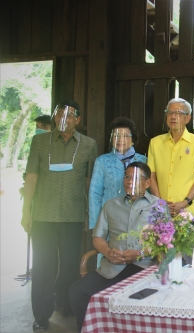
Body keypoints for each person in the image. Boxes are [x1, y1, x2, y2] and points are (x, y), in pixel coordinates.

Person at [21, 100, 97, 332]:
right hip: (43, 214)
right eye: (59, 113)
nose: (64, 118)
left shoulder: (88, 145)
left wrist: (89, 214)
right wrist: (26, 211)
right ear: (54, 117)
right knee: (43, 265)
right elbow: (31, 176)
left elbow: (89, 183)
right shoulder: (40, 141)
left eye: (70, 114)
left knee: (69, 266)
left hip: (73, 216)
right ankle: (41, 316)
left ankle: (63, 302)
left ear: (78, 119)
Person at [69, 162, 161, 332]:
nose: (128, 181)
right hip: (112, 267)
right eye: (126, 176)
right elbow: (98, 237)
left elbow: (165, 243)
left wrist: (140, 253)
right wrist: (108, 252)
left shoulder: (158, 207)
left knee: (133, 301)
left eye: (134, 178)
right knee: (77, 292)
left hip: (143, 268)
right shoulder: (111, 205)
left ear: (147, 183)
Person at [147, 98, 194, 216]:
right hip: (161, 208)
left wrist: (185, 202)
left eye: (178, 113)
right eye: (170, 112)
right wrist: (159, 202)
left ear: (188, 118)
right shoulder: (155, 142)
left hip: (187, 210)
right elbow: (151, 175)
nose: (173, 117)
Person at [89, 117, 147, 231]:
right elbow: (94, 193)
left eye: (125, 136)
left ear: (133, 139)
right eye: (116, 135)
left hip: (138, 220)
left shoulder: (144, 161)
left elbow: (149, 193)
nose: (120, 139)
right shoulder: (102, 161)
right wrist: (96, 225)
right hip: (109, 220)